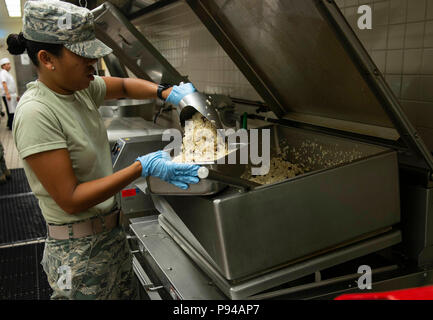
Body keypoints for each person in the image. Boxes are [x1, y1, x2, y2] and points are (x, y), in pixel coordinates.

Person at [7, 0, 200, 300]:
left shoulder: (79, 89)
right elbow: (71, 199)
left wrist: (168, 93)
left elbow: (123, 86)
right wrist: (141, 168)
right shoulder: (37, 113)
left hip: (111, 238)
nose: (93, 64)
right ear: (47, 58)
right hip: (78, 256)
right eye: (83, 55)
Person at [0, 57, 19, 130]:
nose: (9, 65)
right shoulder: (3, 73)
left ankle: (9, 124)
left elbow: (11, 85)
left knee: (13, 110)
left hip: (12, 94)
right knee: (11, 111)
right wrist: (7, 94)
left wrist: (16, 95)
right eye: (8, 64)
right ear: (3, 66)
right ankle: (11, 126)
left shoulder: (8, 73)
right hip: (8, 95)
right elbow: (4, 83)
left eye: (9, 64)